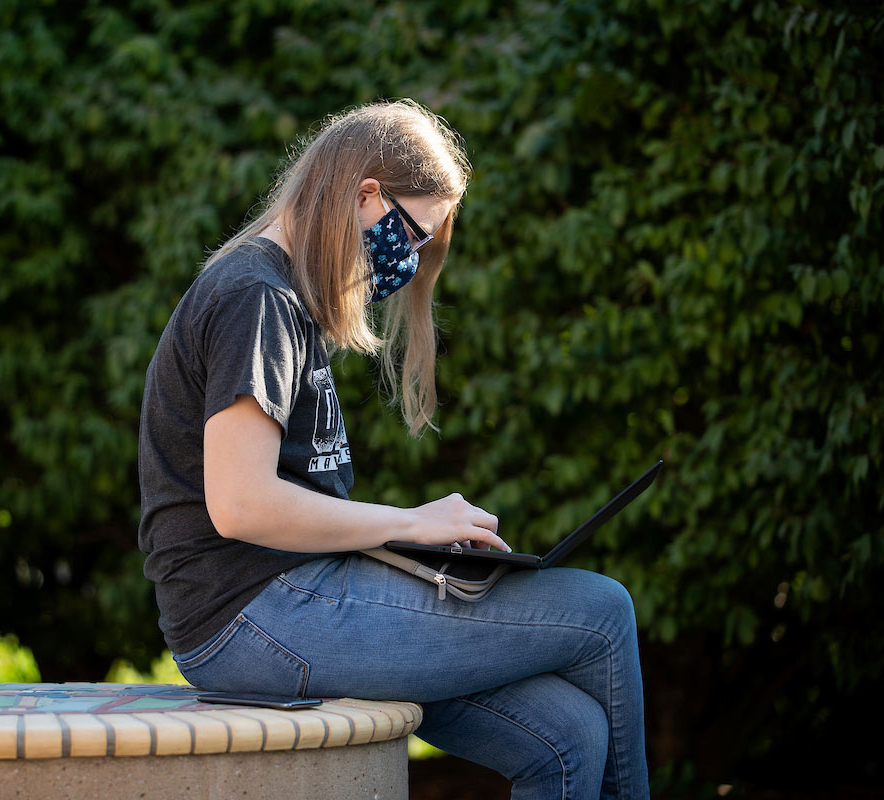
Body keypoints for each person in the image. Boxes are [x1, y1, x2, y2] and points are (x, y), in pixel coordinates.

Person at [137, 98, 650, 800]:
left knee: (571, 736)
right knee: (602, 610)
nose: (408, 260)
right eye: (409, 234)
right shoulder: (255, 298)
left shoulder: (286, 300)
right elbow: (241, 505)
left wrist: (418, 554)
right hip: (249, 617)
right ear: (366, 193)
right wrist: (414, 523)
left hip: (291, 600)